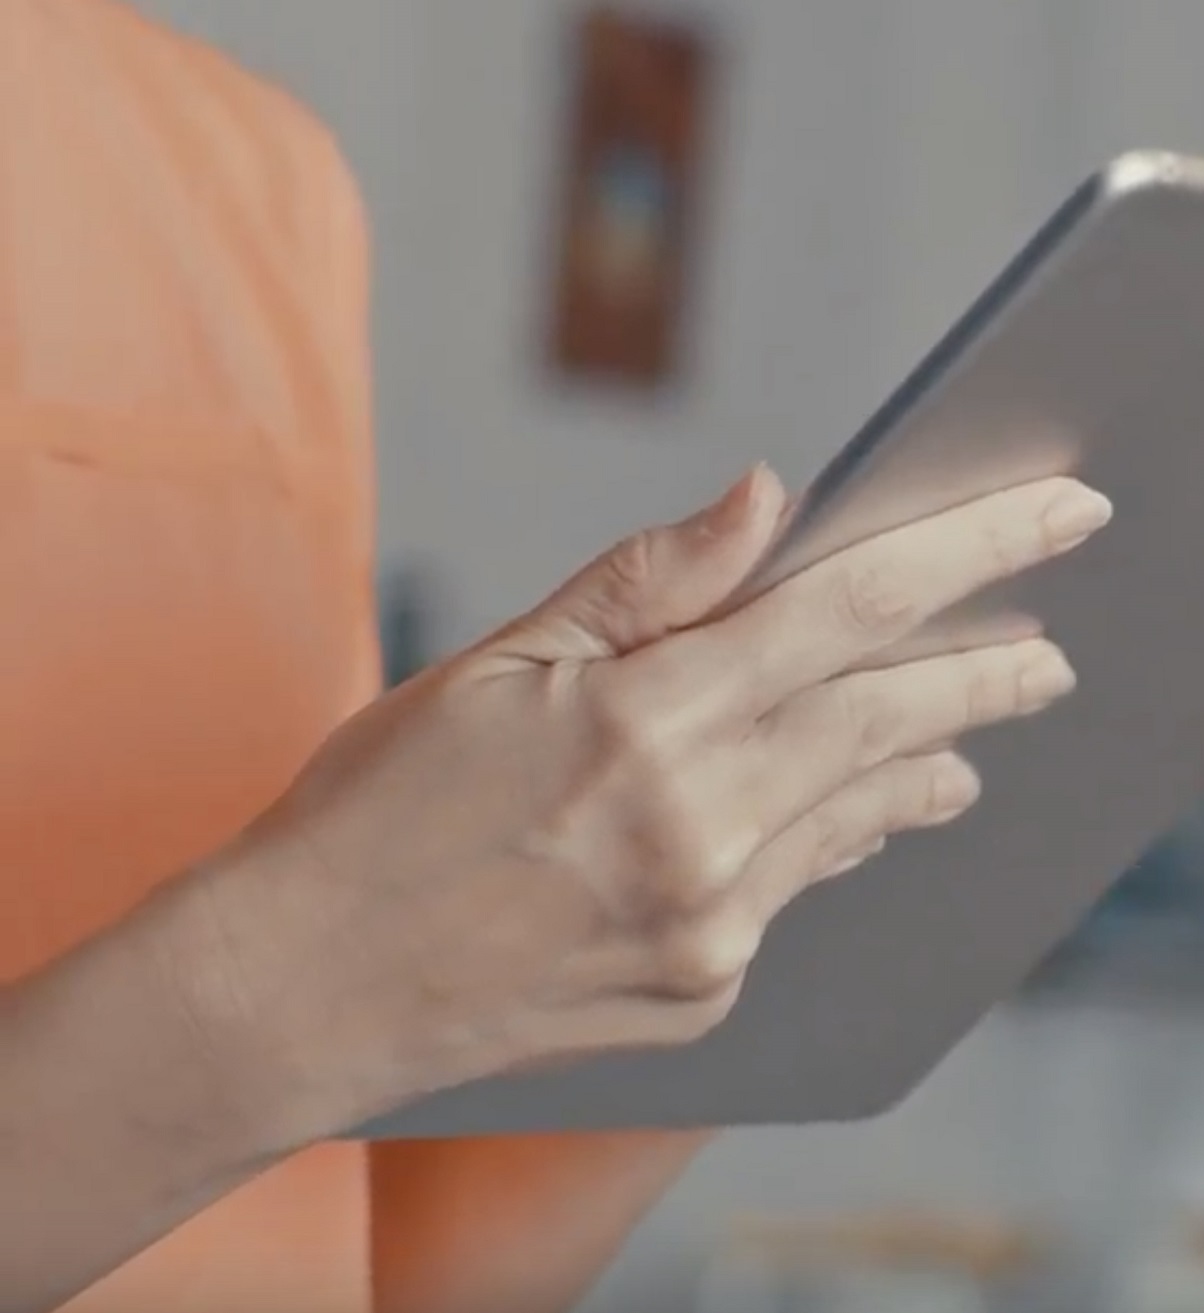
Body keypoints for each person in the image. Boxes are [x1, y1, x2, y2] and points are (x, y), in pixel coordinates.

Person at [0, 3, 1109, 1311]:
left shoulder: (256, 179)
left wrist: (728, 901)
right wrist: (285, 991)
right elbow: (305, 997)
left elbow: (371, 1270)